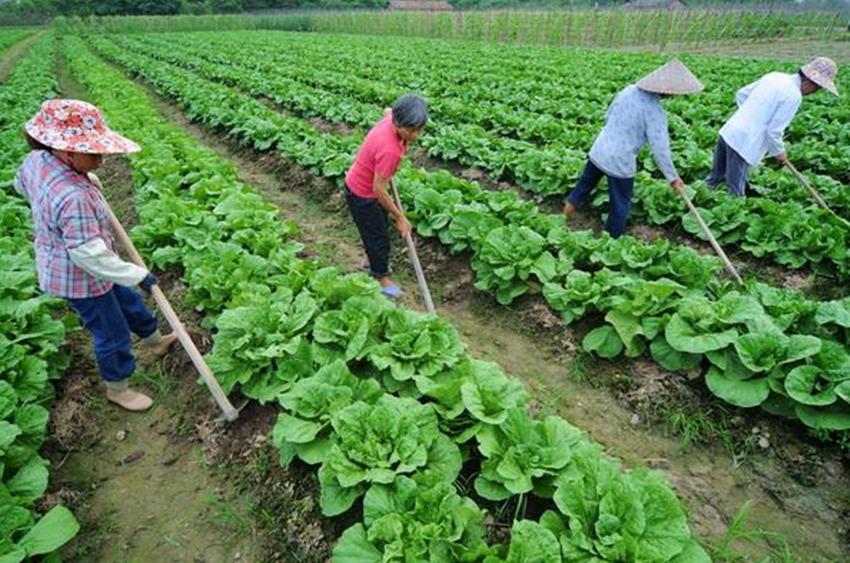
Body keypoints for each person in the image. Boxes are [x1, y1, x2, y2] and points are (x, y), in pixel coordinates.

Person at [14, 99, 177, 412]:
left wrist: (82, 180)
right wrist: (138, 274)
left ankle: (155, 342)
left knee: (129, 301)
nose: (101, 159)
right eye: (93, 153)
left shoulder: (37, 161)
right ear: (67, 152)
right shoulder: (73, 198)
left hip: (90, 263)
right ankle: (118, 389)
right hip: (78, 278)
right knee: (112, 332)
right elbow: (90, 257)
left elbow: (21, 186)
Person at [563, 59, 703, 238]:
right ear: (668, 92)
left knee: (582, 187)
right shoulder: (655, 112)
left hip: (600, 149)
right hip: (620, 161)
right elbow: (660, 150)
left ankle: (562, 221)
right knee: (620, 204)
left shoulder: (628, 90)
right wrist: (673, 178)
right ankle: (611, 242)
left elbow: (608, 114)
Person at [707, 57, 838, 197]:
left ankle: (699, 202)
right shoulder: (794, 96)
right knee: (736, 192)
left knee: (714, 179)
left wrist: (748, 116)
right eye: (818, 88)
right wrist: (779, 152)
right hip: (744, 143)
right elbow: (774, 131)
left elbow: (742, 94)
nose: (814, 92)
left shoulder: (775, 76)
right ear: (811, 83)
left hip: (729, 131)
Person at [344, 94, 428, 298]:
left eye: (419, 129)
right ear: (398, 124)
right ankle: (381, 277)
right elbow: (378, 189)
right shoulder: (390, 150)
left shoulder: (392, 117)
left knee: (378, 229)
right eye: (411, 130)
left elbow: (387, 110)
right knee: (378, 237)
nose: (416, 135)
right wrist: (400, 217)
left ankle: (371, 260)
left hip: (366, 184)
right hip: (362, 193)